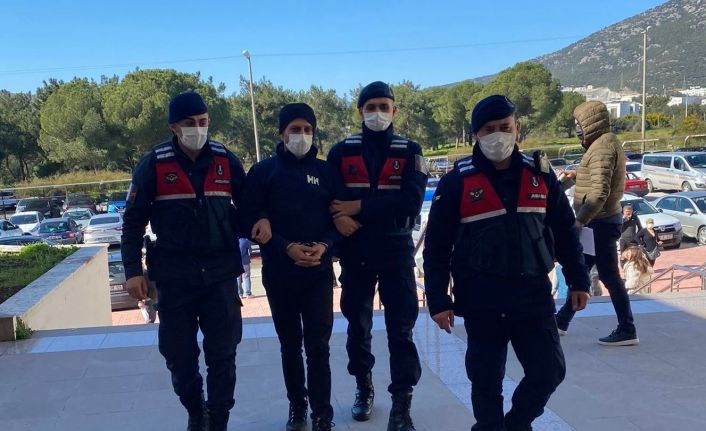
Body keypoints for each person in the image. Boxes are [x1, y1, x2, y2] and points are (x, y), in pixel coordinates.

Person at [423, 95, 591, 431]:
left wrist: (579, 279)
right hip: (481, 297)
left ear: (517, 128)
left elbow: (564, 230)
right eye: (489, 129)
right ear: (475, 134)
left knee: (549, 372)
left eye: (505, 127)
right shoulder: (456, 182)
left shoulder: (540, 174)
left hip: (532, 293)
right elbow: (437, 247)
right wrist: (439, 300)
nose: (498, 135)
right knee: (485, 380)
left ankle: (515, 425)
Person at [122, 91, 255, 431]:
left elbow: (249, 207)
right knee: (178, 356)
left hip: (220, 274)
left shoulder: (226, 160)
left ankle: (218, 420)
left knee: (223, 354)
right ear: (173, 126)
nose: (198, 128)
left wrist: (261, 223)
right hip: (174, 275)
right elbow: (133, 222)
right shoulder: (154, 164)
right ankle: (197, 412)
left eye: (203, 122)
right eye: (190, 123)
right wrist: (133, 271)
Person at [327, 81, 428, 431]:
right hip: (356, 251)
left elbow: (411, 201)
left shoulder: (410, 151)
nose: (378, 113)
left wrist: (358, 207)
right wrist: (339, 216)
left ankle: (402, 402)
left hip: (396, 248)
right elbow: (330, 199)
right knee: (358, 326)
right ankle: (363, 386)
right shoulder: (341, 152)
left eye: (384, 106)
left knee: (401, 330)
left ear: (394, 110)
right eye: (371, 107)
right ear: (360, 111)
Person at [243, 103, 339, 431]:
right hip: (280, 273)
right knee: (290, 345)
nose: (302, 135)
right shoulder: (263, 173)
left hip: (318, 273)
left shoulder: (327, 173)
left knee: (318, 347)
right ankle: (297, 407)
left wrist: (325, 246)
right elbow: (250, 219)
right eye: (295, 129)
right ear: (282, 133)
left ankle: (322, 414)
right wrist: (286, 247)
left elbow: (339, 221)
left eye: (307, 129)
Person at [555, 100, 639, 346]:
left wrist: (580, 221)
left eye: (579, 123)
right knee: (582, 272)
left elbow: (600, 191)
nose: (577, 128)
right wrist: (576, 175)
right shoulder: (603, 144)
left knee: (609, 276)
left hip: (600, 224)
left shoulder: (602, 148)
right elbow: (597, 176)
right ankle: (561, 321)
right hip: (599, 223)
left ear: (590, 123)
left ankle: (627, 328)